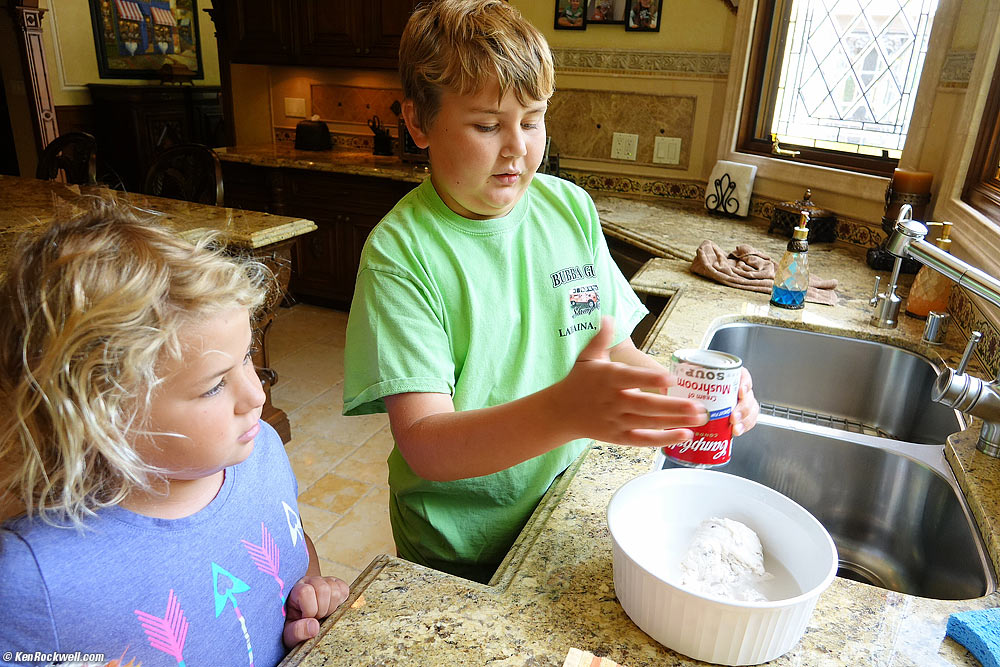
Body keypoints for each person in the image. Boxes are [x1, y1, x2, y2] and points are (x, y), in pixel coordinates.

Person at [342, 0, 759, 584]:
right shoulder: (402, 254)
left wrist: (691, 392)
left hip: (561, 508)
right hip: (461, 549)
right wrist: (565, 411)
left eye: (532, 119)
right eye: (487, 125)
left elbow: (608, 349)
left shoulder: (569, 209)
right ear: (417, 123)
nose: (516, 147)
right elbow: (425, 445)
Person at [0, 204, 348, 665]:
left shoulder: (260, 451)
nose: (256, 396)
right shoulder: (35, 578)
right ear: (103, 417)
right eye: (213, 385)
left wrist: (310, 590)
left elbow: (294, 542)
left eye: (246, 356)